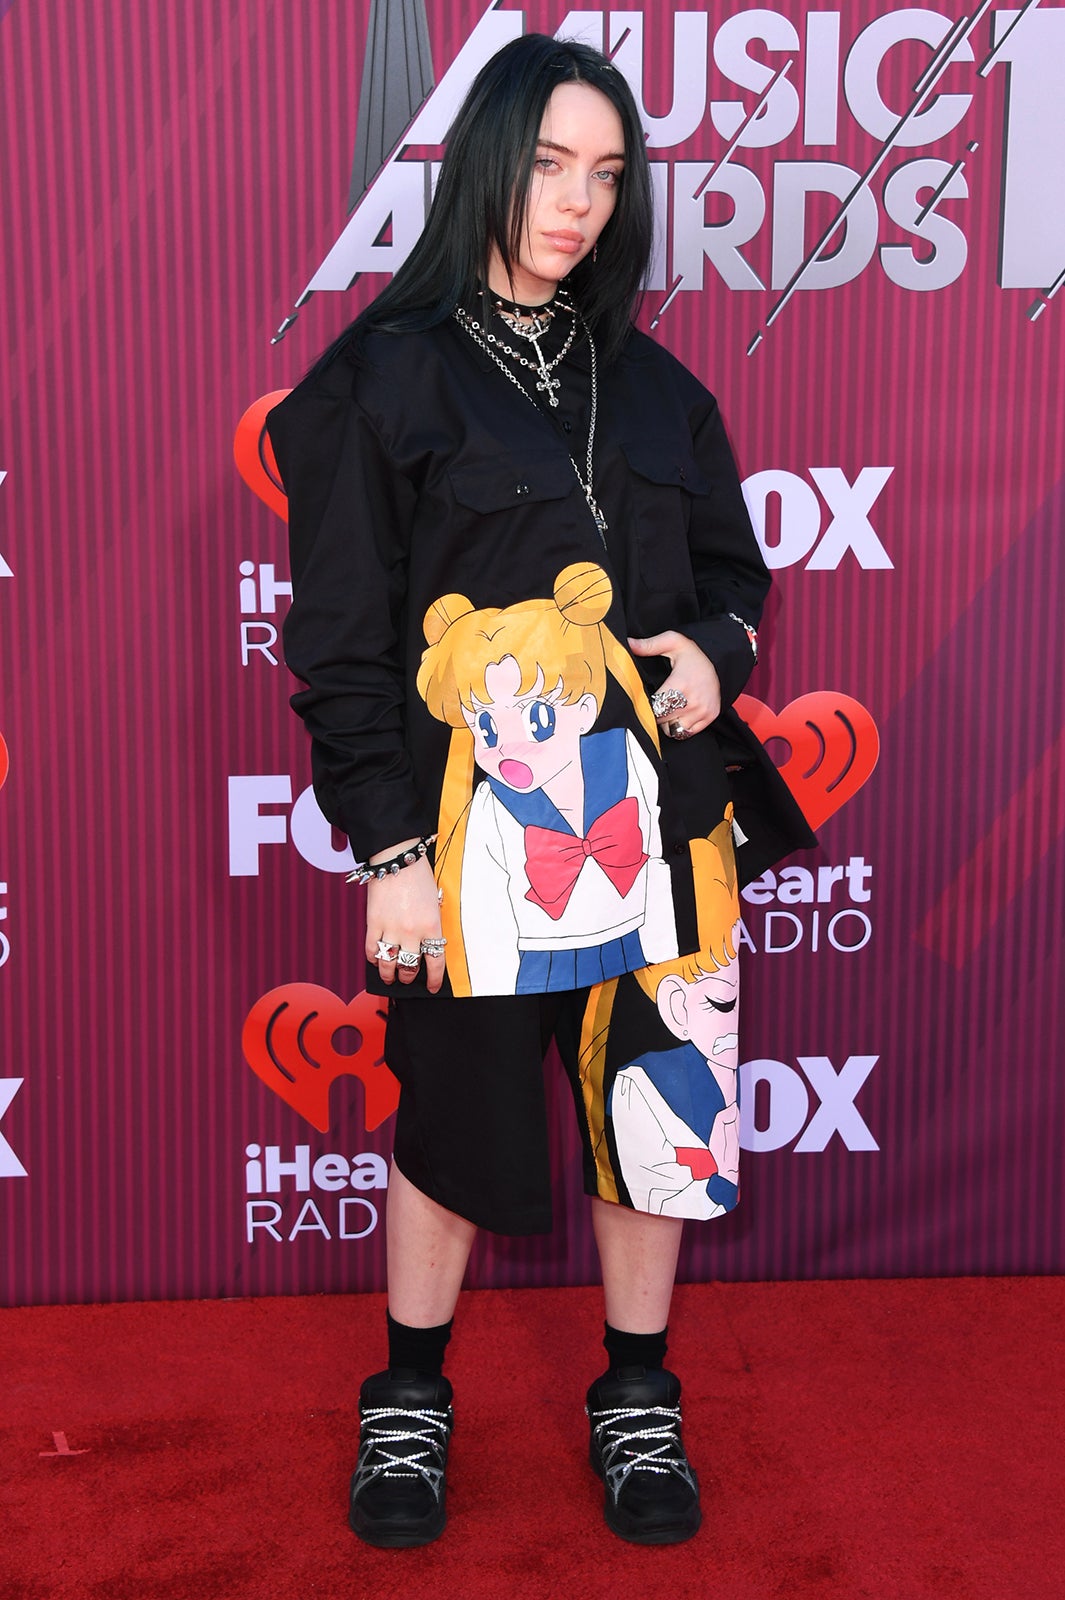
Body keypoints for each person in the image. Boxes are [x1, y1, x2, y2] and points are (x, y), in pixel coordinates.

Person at [267, 32, 811, 1551]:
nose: (577, 202)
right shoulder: (381, 380)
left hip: (666, 831)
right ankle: (409, 1398)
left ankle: (637, 1395)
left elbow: (733, 580)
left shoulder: (654, 390)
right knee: (452, 1121)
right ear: (486, 165)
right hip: (471, 851)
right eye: (551, 164)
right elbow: (342, 647)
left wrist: (715, 653)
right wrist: (390, 853)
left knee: (658, 1117)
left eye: (607, 175)